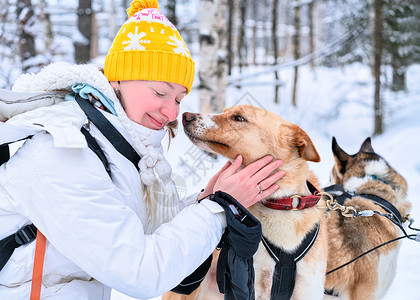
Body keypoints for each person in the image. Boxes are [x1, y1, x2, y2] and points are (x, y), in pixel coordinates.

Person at [0, 0, 285, 299]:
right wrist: (217, 209)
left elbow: (144, 231)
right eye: (160, 92)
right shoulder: (64, 152)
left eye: (178, 98)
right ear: (119, 78)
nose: (171, 112)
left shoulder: (119, 149)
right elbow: (140, 272)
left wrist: (205, 201)